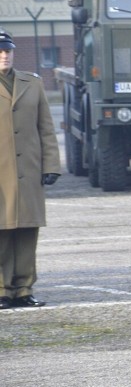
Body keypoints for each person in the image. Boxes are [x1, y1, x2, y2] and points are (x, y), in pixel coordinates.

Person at [0, 29, 60, 309]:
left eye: (8, 50)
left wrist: (51, 165)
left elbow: (46, 128)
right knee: (1, 233)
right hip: (1, 175)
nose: (4, 55)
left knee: (26, 232)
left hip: (28, 173)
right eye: (0, 51)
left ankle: (23, 288)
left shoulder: (31, 83)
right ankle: (2, 289)